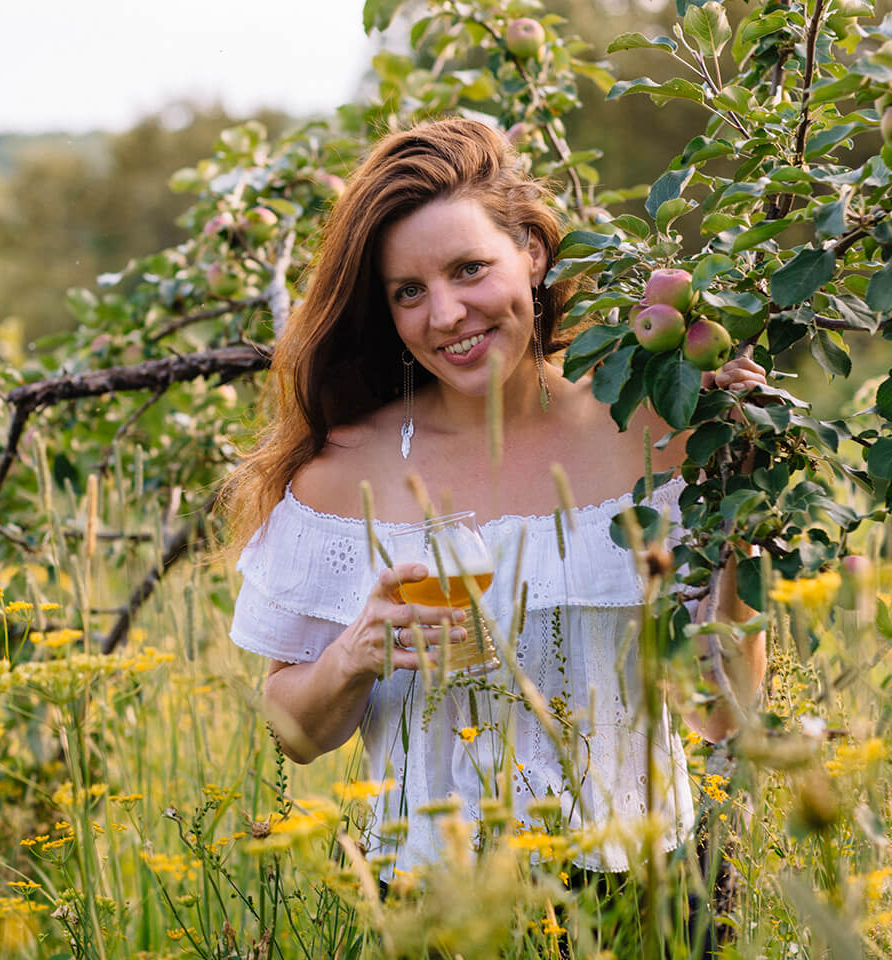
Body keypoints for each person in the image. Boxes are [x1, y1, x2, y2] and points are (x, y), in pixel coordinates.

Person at [223, 118, 766, 917]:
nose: (444, 314)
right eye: (409, 292)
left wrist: (745, 501)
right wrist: (354, 654)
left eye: (469, 268)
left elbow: (722, 711)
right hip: (440, 905)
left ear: (534, 255)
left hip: (649, 893)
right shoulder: (345, 476)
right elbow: (295, 734)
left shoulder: (655, 432)